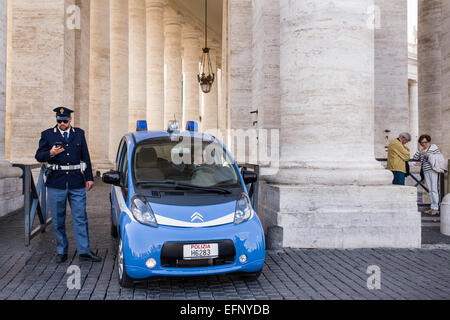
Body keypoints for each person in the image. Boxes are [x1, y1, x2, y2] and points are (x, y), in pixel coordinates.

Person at [35, 107, 101, 263]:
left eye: (65, 121)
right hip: (56, 182)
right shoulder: (48, 134)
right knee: (58, 219)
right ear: (56, 120)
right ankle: (61, 251)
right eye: (59, 121)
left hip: (76, 181)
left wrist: (89, 177)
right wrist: (50, 153)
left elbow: (86, 156)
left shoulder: (79, 133)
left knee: (80, 217)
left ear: (70, 120)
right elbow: (38, 156)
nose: (62, 123)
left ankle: (84, 251)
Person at [413, 134, 441, 216]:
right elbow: (415, 157)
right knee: (430, 189)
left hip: (433, 170)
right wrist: (420, 150)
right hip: (426, 171)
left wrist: (428, 155)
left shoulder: (433, 147)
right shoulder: (422, 149)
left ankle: (436, 208)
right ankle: (432, 207)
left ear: (428, 141)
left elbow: (438, 157)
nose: (424, 144)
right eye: (421, 143)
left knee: (434, 189)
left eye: (425, 142)